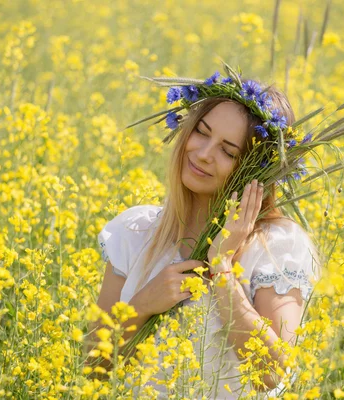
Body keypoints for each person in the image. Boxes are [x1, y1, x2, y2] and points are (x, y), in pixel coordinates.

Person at [91, 79, 322, 399]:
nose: (202, 154)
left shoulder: (276, 246)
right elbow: (93, 366)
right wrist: (142, 305)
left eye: (228, 151)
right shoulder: (136, 231)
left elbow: (268, 375)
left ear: (252, 170)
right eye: (201, 132)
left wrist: (222, 267)